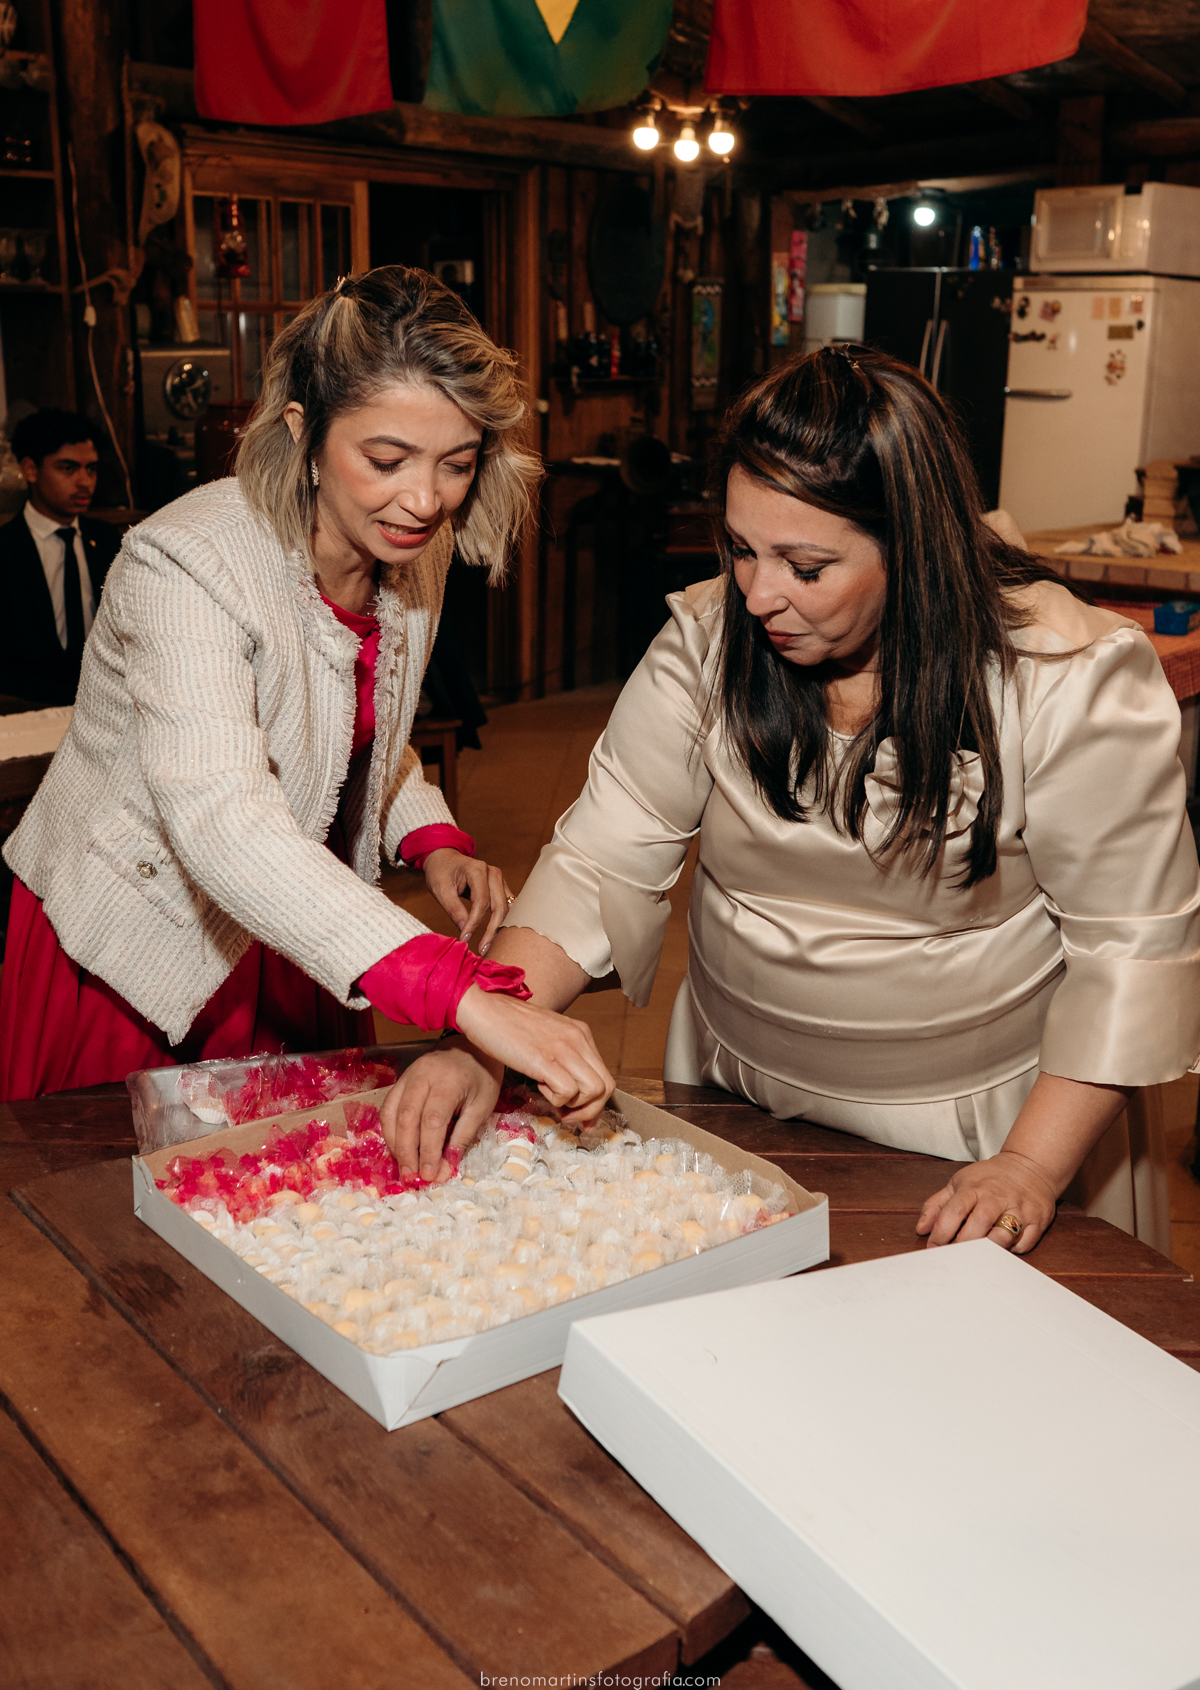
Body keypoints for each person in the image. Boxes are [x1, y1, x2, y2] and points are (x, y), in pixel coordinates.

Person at [380, 345, 1200, 1255]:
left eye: (806, 566)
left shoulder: (1066, 680)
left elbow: (1132, 950)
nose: (757, 593)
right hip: (742, 1096)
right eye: (739, 548)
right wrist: (487, 1033)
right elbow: (598, 858)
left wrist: (1032, 1168)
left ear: (913, 548)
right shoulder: (705, 642)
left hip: (987, 1131)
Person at [0, 266, 612, 1129]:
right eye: (386, 459)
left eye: (457, 463)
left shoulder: (409, 545)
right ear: (304, 430)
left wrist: (428, 836)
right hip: (138, 942)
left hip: (295, 925)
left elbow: (343, 717)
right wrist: (458, 989)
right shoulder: (184, 561)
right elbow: (222, 816)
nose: (425, 499)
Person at [0, 408, 123, 705]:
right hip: (24, 704)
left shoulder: (110, 542)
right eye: (68, 468)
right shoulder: (5, 549)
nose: (85, 482)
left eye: (91, 469)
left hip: (105, 700)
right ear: (30, 470)